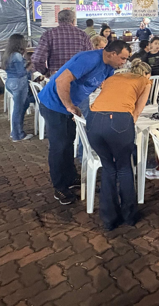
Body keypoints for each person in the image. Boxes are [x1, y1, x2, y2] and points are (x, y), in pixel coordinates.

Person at [37, 40, 131, 205]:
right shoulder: (89, 59)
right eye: (123, 58)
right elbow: (61, 81)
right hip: (54, 104)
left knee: (69, 141)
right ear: (112, 54)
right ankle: (60, 187)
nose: (124, 62)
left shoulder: (109, 67)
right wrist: (69, 105)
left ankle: (70, 177)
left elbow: (108, 89)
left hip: (70, 105)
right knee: (59, 146)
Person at [87, 59, 152, 230]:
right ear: (146, 74)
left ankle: (109, 219)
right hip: (119, 120)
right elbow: (137, 112)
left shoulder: (113, 77)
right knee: (124, 168)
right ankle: (129, 216)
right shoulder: (145, 81)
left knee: (108, 168)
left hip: (94, 120)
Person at [32, 9, 92, 77]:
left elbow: (37, 59)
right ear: (73, 20)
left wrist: (46, 72)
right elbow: (91, 58)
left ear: (58, 20)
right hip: (78, 77)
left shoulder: (48, 34)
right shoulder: (83, 35)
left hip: (56, 77)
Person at [4, 33, 34, 142]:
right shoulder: (17, 55)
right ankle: (17, 135)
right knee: (18, 109)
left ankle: (16, 132)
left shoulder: (8, 54)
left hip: (10, 82)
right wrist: (30, 65)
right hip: (19, 83)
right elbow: (22, 72)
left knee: (23, 105)